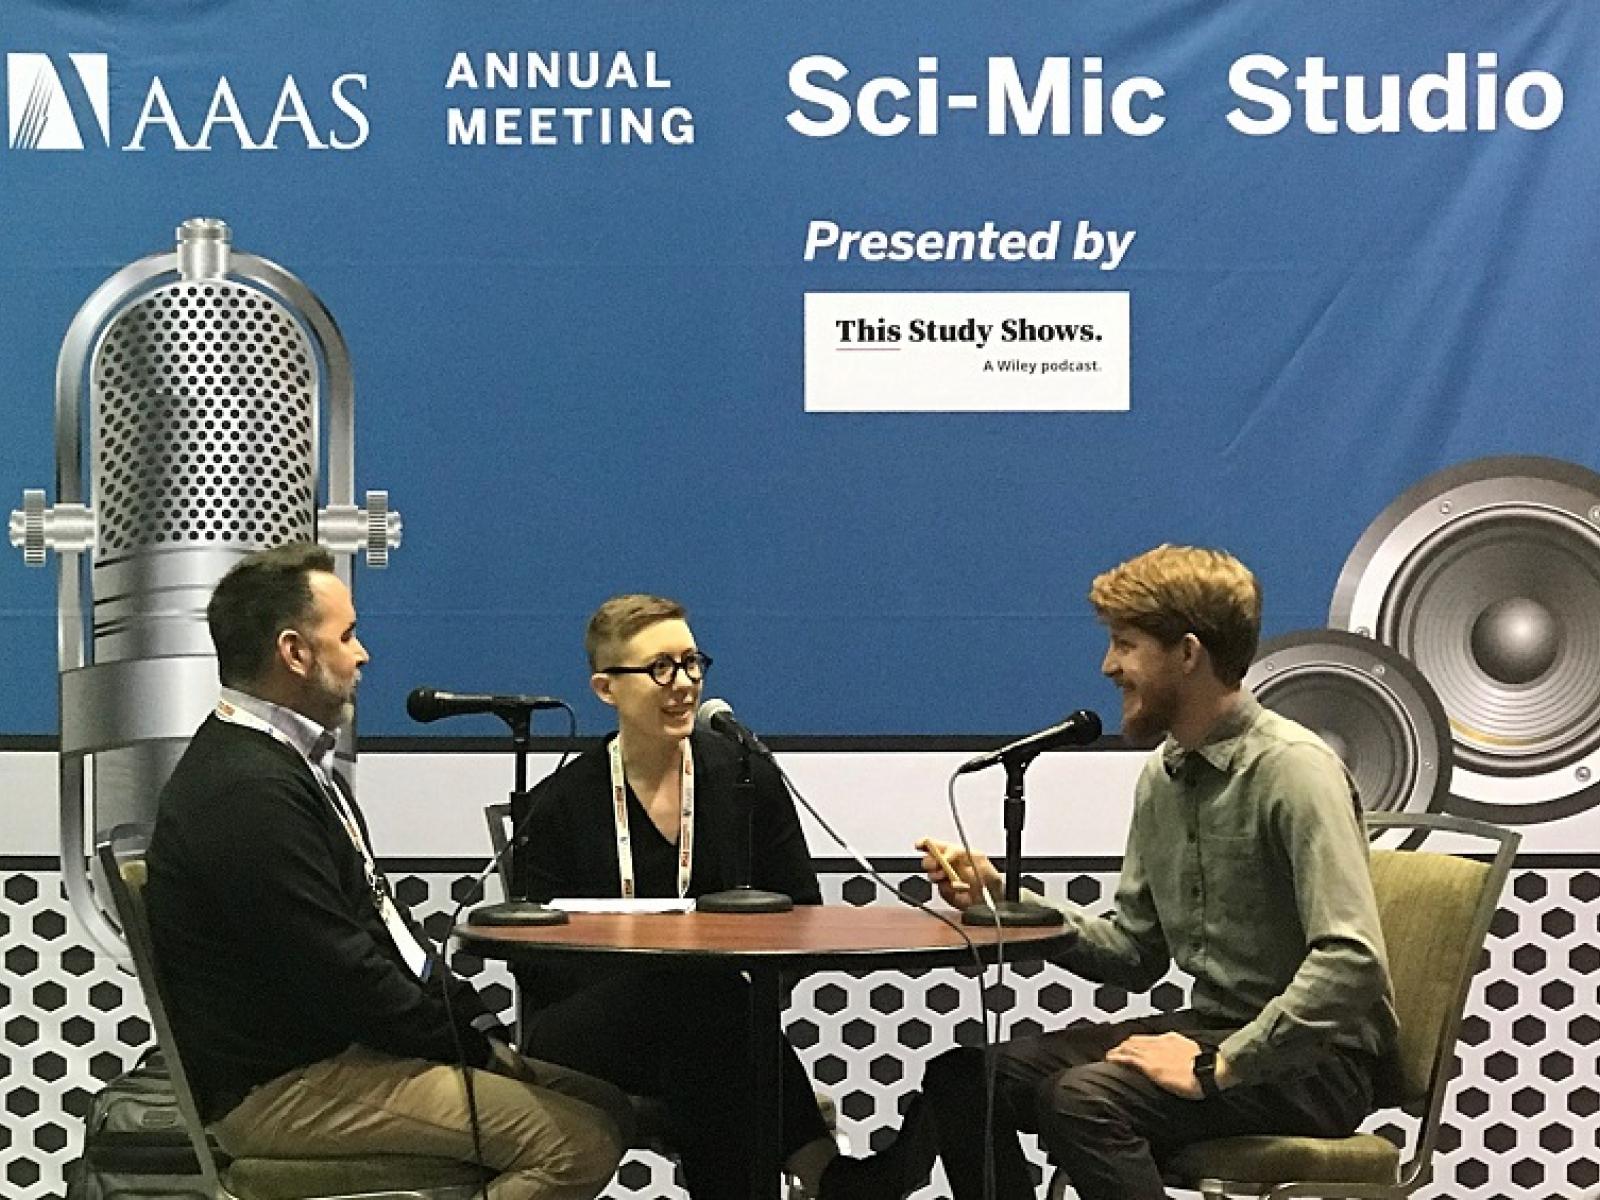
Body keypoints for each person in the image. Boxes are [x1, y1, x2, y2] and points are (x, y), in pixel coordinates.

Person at [822, 544, 1399, 1200]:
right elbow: (1134, 953)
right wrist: (1003, 896)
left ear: (1188, 653)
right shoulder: (1164, 777)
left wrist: (1221, 1065)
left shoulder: (1295, 771)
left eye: (1126, 645)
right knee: (965, 1080)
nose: (1108, 666)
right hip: (1215, 1034)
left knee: (1082, 1100)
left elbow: (1352, 962)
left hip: (1317, 1064)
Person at [146, 542, 633, 1200]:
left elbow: (382, 935)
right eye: (346, 635)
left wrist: (471, 1029)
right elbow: (341, 972)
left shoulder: (281, 768)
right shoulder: (244, 791)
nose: (363, 653)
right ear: (294, 652)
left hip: (338, 1055)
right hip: (283, 1085)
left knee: (608, 1104)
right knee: (578, 1143)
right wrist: (461, 1045)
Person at [513, 593, 838, 1200]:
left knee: (703, 1035)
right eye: (660, 667)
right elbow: (537, 962)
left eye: (692, 663)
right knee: (691, 985)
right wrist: (644, 983)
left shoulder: (745, 776)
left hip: (712, 1028)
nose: (683, 684)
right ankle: (825, 1168)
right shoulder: (562, 800)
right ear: (606, 689)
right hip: (584, 1031)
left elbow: (802, 912)